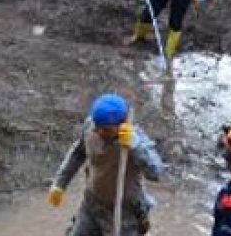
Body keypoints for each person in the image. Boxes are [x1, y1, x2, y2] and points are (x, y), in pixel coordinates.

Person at [47, 93, 165, 236]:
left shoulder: (135, 138)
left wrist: (135, 146)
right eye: (97, 126)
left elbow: (156, 173)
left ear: (121, 124)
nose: (99, 132)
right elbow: (77, 154)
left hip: (124, 211)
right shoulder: (91, 127)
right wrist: (60, 184)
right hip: (92, 204)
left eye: (106, 129)